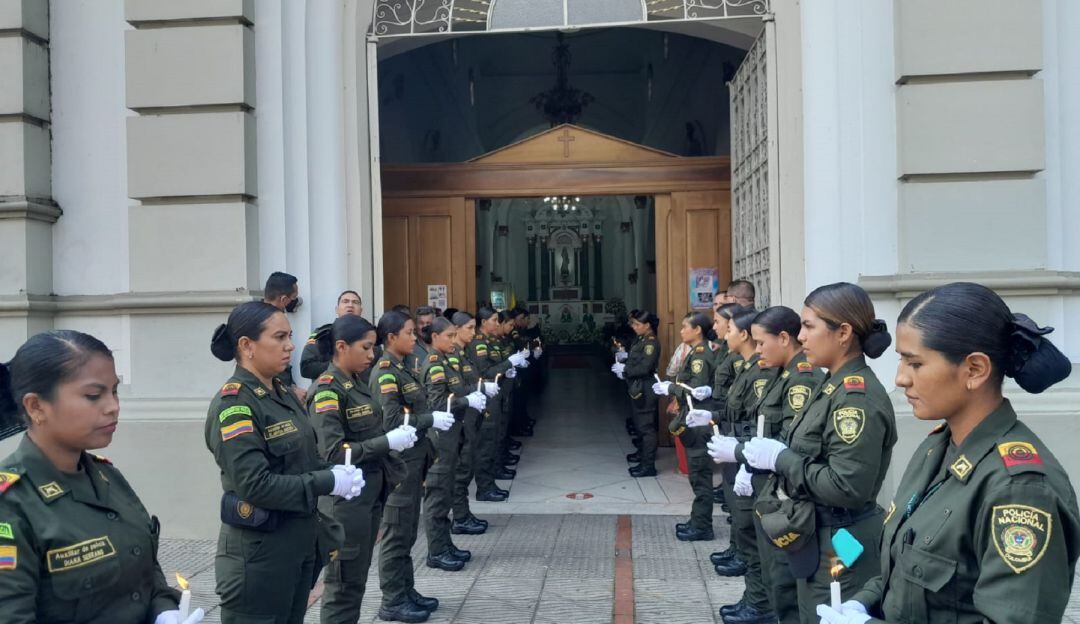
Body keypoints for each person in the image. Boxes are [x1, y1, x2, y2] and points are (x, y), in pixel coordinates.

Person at [817, 283, 1079, 624]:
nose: (901, 379)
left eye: (915, 364)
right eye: (901, 360)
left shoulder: (1020, 490)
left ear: (974, 370)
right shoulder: (938, 446)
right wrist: (865, 603)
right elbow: (907, 567)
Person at [0, 331, 203, 624]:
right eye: (93, 395)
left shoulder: (107, 476)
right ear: (36, 406)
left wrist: (163, 611)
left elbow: (144, 567)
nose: (113, 406)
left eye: (115, 391)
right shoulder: (12, 505)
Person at [740, 282, 896, 624]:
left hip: (840, 545)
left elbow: (847, 486)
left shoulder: (855, 399)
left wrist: (781, 459)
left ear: (842, 332)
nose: (802, 336)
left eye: (809, 326)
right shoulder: (831, 385)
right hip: (816, 536)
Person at [206, 301, 364, 624]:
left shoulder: (282, 392)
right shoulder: (234, 404)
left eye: (289, 336)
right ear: (246, 346)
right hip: (259, 557)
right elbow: (255, 485)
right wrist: (328, 482)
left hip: (297, 546)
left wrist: (333, 471)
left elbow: (304, 457)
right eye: (279, 337)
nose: (290, 345)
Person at [710, 307, 825, 624]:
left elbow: (790, 439)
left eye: (762, 343)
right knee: (766, 558)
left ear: (784, 339)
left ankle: (762, 607)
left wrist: (744, 457)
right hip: (766, 480)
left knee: (781, 570)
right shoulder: (782, 374)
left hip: (782, 486)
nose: (757, 350)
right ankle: (761, 603)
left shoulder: (800, 379)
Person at [307, 315, 418, 624]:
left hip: (368, 496)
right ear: (342, 347)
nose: (372, 355)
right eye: (366, 347)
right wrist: (386, 442)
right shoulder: (328, 391)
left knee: (355, 583)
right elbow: (332, 451)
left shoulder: (357, 383)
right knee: (342, 587)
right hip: (345, 505)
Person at [370, 310, 454, 623]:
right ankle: (392, 600)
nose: (413, 337)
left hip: (413, 461)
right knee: (396, 533)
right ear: (391, 338)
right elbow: (392, 421)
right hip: (399, 464)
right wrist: (428, 419)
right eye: (408, 332)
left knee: (407, 533)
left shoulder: (404, 368)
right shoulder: (386, 373)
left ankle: (406, 590)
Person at [420, 318, 488, 572]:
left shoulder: (447, 360)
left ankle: (446, 544)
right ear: (435, 337)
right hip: (441, 439)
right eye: (448, 336)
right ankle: (436, 551)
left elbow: (455, 392)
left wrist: (470, 396)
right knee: (437, 495)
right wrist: (466, 402)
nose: (452, 340)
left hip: (452, 435)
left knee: (447, 491)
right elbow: (438, 404)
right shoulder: (435, 364)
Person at [653, 311, 717, 541]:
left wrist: (670, 388)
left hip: (698, 420)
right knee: (697, 474)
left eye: (684, 327)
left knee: (699, 473)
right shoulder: (698, 351)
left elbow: (695, 391)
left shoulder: (701, 355)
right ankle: (697, 519)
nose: (680, 331)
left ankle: (702, 526)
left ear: (697, 329)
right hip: (693, 416)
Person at [465, 308, 527, 501]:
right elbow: (485, 371)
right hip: (487, 398)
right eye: (494, 320)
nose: (497, 323)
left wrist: (507, 369)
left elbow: (495, 368)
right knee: (486, 443)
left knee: (493, 439)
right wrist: (509, 363)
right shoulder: (479, 344)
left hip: (496, 395)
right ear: (483, 322)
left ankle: (489, 482)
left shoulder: (491, 341)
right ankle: (484, 487)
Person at [447, 311, 492, 534]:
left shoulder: (463, 354)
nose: (473, 333)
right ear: (456, 329)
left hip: (470, 419)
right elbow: (457, 390)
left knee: (466, 467)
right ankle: (460, 517)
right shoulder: (453, 356)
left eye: (474, 328)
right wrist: (480, 389)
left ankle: (464, 514)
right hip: (462, 420)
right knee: (462, 470)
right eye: (469, 328)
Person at [613, 310, 662, 477]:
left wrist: (625, 369)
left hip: (646, 387)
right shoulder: (641, 339)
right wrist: (626, 359)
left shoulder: (651, 342)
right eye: (633, 324)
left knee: (646, 427)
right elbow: (637, 360)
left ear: (647, 325)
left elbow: (645, 367)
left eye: (637, 324)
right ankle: (642, 456)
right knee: (640, 424)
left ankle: (648, 465)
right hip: (637, 386)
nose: (634, 327)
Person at [300, 290, 363, 381]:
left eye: (355, 302)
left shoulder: (369, 336)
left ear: (361, 310)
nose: (350, 305)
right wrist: (341, 365)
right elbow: (306, 368)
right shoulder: (322, 334)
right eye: (345, 301)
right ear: (337, 309)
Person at [263, 272, 305, 401]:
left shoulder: (264, 316)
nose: (290, 346)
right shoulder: (265, 322)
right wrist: (289, 392)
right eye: (294, 298)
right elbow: (265, 365)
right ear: (283, 300)